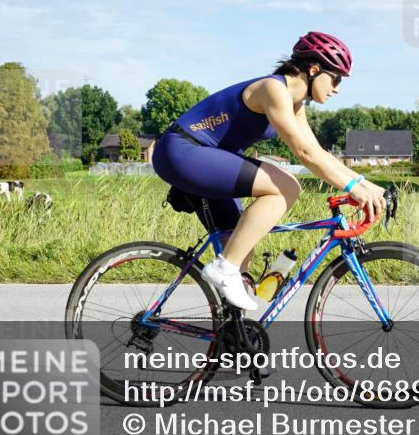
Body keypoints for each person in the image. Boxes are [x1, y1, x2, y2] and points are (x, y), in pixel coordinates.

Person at [152, 31, 387, 311]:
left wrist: (368, 185)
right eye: (335, 78)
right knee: (286, 188)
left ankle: (229, 341)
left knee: (241, 249)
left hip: (207, 157)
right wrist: (353, 190)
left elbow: (320, 152)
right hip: (183, 151)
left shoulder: (294, 103)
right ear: (314, 70)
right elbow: (304, 153)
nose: (337, 87)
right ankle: (223, 268)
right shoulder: (273, 89)